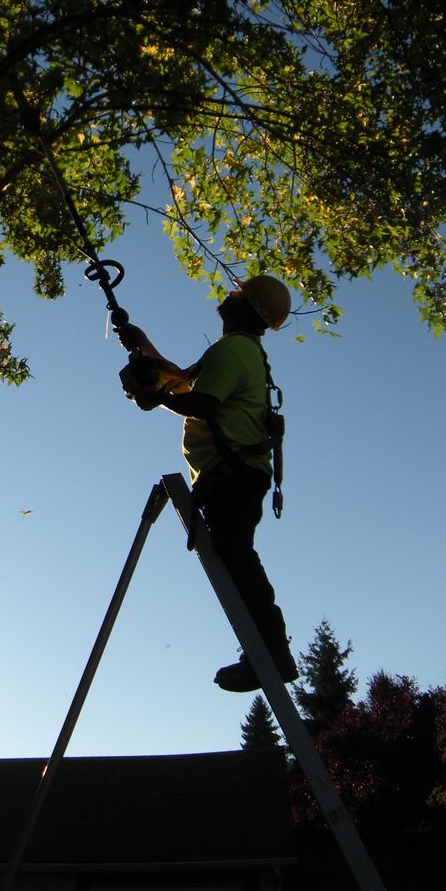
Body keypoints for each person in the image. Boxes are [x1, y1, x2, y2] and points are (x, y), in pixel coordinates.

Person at [119, 275, 297, 693]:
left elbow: (199, 403)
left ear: (247, 308)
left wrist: (155, 397)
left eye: (238, 293)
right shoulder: (238, 352)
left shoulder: (233, 349)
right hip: (236, 474)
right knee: (236, 558)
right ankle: (266, 651)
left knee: (236, 557)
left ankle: (271, 653)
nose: (229, 295)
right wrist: (141, 342)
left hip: (232, 475)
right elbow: (183, 383)